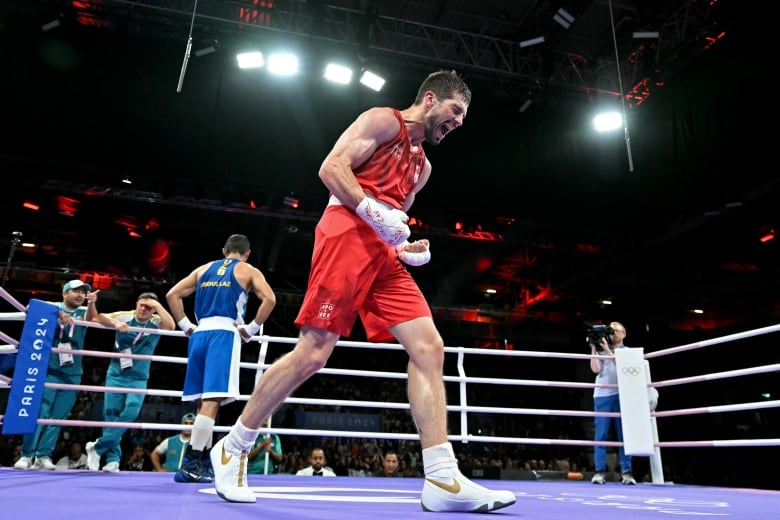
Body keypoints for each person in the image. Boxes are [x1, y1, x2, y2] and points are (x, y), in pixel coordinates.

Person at [208, 70, 516, 513]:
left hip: (381, 255)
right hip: (346, 232)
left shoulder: (422, 168)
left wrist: (407, 247)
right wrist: (372, 210)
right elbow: (331, 168)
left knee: (429, 348)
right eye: (456, 111)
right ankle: (233, 447)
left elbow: (393, 225)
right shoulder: (382, 120)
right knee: (314, 353)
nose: (460, 122)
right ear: (430, 99)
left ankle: (442, 478)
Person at [166, 234, 277, 483]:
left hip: (200, 332)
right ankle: (191, 461)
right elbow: (270, 299)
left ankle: (202, 461)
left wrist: (185, 326)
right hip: (224, 334)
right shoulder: (247, 270)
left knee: (202, 402)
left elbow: (173, 294)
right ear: (247, 253)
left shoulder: (203, 269)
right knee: (213, 399)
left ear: (224, 250)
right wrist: (250, 328)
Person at [15, 280, 100, 470]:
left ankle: (44, 455)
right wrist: (56, 313)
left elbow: (93, 319)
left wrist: (92, 302)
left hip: (72, 373)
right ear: (64, 294)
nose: (80, 295)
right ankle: (27, 454)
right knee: (39, 413)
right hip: (49, 371)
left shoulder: (82, 312)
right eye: (75, 291)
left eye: (82, 292)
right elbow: (30, 306)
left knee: (57, 418)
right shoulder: (51, 307)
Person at [85, 292, 175, 473]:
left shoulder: (156, 321)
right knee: (111, 416)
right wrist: (116, 323)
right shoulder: (126, 315)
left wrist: (157, 306)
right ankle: (113, 460)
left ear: (154, 310)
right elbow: (97, 317)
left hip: (139, 378)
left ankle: (98, 448)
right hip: (116, 375)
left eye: (148, 307)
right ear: (136, 304)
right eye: (141, 305)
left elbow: (171, 327)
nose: (143, 309)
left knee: (131, 412)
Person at [588, 321, 636, 485]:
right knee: (600, 435)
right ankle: (599, 472)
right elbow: (595, 369)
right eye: (611, 330)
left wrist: (608, 350)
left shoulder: (628, 352)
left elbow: (623, 366)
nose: (613, 333)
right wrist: (594, 347)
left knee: (624, 435)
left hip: (622, 394)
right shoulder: (600, 351)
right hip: (602, 395)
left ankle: (627, 472)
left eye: (616, 330)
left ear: (624, 334)